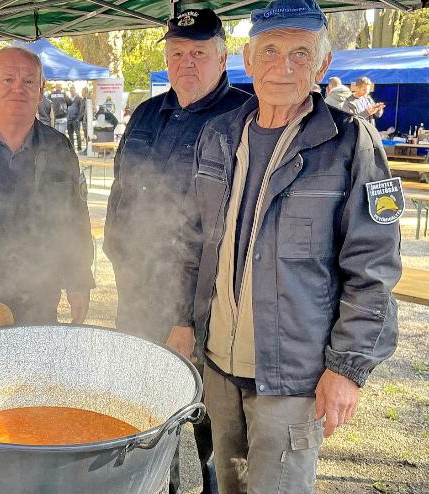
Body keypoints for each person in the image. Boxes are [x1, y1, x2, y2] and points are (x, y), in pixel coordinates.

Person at [176, 0, 401, 492]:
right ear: (248, 59)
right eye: (271, 50)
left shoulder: (350, 143)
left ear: (323, 65)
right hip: (218, 364)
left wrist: (346, 369)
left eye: (302, 53)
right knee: (227, 484)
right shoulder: (217, 135)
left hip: (293, 378)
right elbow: (193, 240)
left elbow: (375, 268)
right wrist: (181, 320)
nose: (284, 65)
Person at [104, 9, 249, 494]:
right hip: (139, 292)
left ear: (223, 57)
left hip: (206, 306)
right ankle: (158, 485)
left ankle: (208, 482)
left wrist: (186, 317)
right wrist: (119, 261)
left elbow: (228, 231)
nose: (186, 63)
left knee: (208, 415)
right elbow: (121, 197)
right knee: (146, 405)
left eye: (199, 53)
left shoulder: (243, 117)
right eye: (177, 53)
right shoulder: (148, 114)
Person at [0, 46, 94, 327]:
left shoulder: (58, 148)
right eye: (7, 80)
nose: (18, 89)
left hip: (37, 297)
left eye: (28, 82)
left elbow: (75, 219)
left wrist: (79, 280)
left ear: (40, 90)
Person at [67, 86, 83, 151]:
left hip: (75, 119)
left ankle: (79, 148)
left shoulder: (79, 98)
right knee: (70, 134)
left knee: (77, 134)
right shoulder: (68, 99)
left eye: (72, 91)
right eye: (70, 91)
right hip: (69, 119)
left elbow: (81, 110)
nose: (71, 92)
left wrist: (78, 119)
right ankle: (72, 148)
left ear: (75, 91)